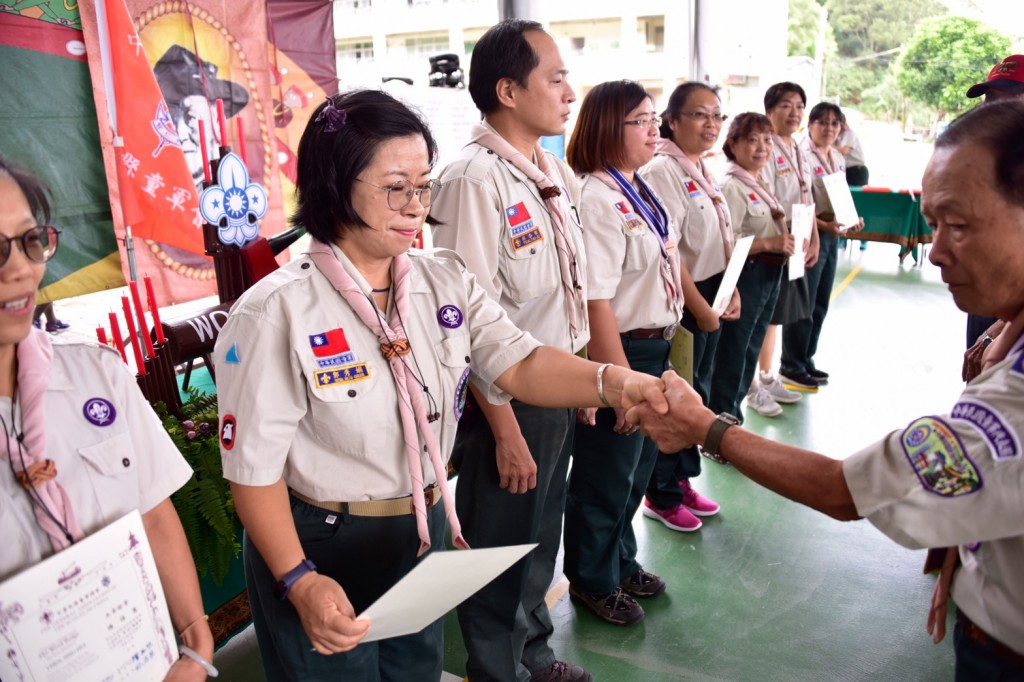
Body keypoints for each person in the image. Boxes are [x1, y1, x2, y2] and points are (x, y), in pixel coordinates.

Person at [213, 89, 668, 682]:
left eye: (422, 185)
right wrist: (298, 579)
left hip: (420, 530)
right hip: (323, 543)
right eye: (394, 186)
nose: (414, 205)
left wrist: (619, 384)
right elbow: (253, 472)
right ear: (333, 185)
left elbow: (521, 364)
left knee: (415, 672)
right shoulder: (276, 312)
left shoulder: (441, 280)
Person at [629, 100, 1024, 681]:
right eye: (934, 225)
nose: (935, 251)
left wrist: (705, 427)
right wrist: (969, 560)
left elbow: (845, 491)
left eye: (958, 225)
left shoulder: (1011, 406)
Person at [0, 156, 215, 679]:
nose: (21, 268)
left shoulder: (94, 373)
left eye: (31, 241)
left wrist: (195, 642)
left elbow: (154, 510)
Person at [428, 19, 593, 682]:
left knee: (537, 536)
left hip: (553, 387)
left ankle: (533, 657)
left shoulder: (551, 172)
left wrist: (583, 384)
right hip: (507, 403)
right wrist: (502, 428)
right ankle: (499, 671)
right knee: (500, 545)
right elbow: (464, 321)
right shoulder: (471, 180)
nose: (569, 90)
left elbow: (569, 293)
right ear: (508, 90)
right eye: (554, 77)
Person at [561, 80, 683, 626]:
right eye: (640, 120)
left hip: (654, 348)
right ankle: (591, 578)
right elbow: (596, 301)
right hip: (622, 353)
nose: (654, 129)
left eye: (655, 118)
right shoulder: (595, 196)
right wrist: (619, 383)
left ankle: (621, 560)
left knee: (634, 473)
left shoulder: (638, 188)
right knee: (605, 476)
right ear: (607, 126)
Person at [640, 82, 737, 531]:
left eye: (717, 115)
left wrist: (729, 288)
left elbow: (718, 233)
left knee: (697, 391)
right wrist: (700, 308)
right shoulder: (663, 170)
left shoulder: (699, 167)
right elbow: (671, 250)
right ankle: (660, 494)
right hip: (686, 301)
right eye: (700, 115)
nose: (712, 124)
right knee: (675, 400)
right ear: (672, 121)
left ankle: (681, 481)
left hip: (712, 293)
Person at [708, 113, 794, 422]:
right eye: (752, 140)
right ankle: (721, 422)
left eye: (767, 140)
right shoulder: (732, 185)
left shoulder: (758, 181)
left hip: (768, 274)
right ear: (733, 143)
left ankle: (734, 416)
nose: (762, 147)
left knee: (750, 348)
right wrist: (770, 244)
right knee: (734, 352)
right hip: (746, 275)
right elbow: (726, 242)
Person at [782, 103, 863, 389]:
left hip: (832, 233)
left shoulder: (838, 159)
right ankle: (791, 363)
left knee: (820, 301)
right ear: (810, 124)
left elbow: (839, 196)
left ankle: (806, 358)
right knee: (802, 299)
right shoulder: (802, 155)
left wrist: (851, 219)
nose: (829, 128)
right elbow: (796, 200)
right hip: (809, 230)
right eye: (823, 122)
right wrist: (822, 226)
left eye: (835, 124)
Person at [758, 82, 820, 400]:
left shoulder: (797, 147)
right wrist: (784, 237)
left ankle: (768, 377)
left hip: (798, 237)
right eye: (786, 105)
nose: (794, 112)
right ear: (770, 110)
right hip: (775, 241)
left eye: (799, 106)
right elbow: (766, 198)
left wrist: (815, 237)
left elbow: (805, 195)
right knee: (767, 316)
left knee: (779, 315)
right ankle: (761, 380)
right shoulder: (765, 145)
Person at [963, 55, 1024, 358]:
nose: (991, 109)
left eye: (1005, 98)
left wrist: (997, 333)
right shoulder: (991, 159)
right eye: (989, 99)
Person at [835, 121, 868, 187]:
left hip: (856, 170)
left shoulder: (848, 133)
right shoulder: (837, 136)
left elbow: (844, 150)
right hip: (845, 171)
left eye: (834, 123)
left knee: (857, 196)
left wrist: (827, 146)